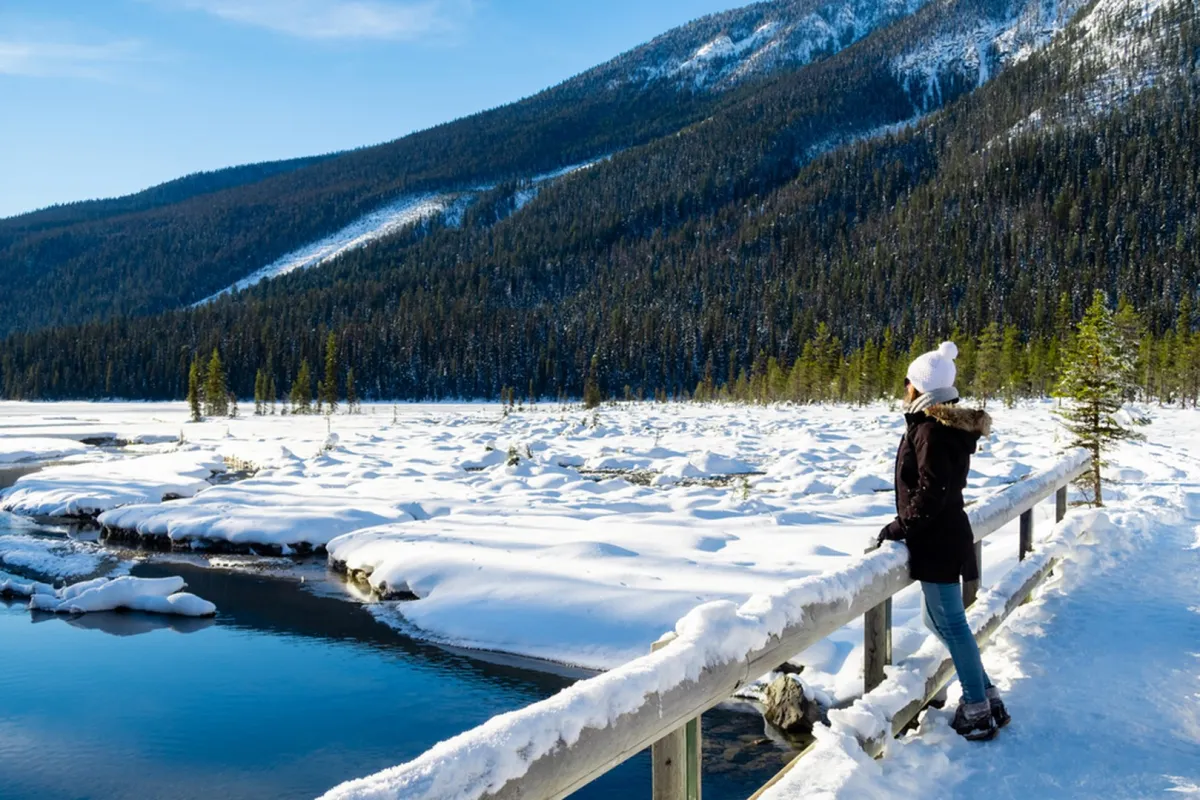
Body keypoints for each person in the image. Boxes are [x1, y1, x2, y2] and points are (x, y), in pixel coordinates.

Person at [877, 341, 1010, 741]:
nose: (904, 389)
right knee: (935, 620)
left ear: (919, 387)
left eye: (908, 382)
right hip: (945, 536)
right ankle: (987, 696)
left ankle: (978, 707)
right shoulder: (939, 426)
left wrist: (899, 527)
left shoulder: (931, 430)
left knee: (951, 624)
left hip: (938, 541)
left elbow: (932, 492)